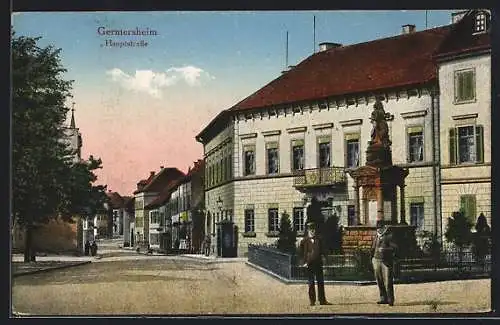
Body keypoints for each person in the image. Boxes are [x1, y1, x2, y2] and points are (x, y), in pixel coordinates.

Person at [299, 221, 332, 306]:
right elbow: (301, 253)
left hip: (318, 264)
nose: (312, 231)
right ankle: (312, 301)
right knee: (311, 283)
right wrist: (304, 263)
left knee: (320, 282)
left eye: (313, 229)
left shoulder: (319, 239)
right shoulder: (304, 241)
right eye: (310, 230)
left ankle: (322, 300)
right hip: (309, 265)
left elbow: (323, 250)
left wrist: (326, 258)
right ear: (307, 230)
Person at [370, 220, 398, 306]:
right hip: (376, 259)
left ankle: (390, 299)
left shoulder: (389, 236)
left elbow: (395, 248)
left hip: (386, 261)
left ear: (384, 228)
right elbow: (373, 248)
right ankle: (383, 298)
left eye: (380, 228)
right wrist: (372, 258)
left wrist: (385, 250)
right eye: (377, 228)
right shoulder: (376, 236)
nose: (379, 230)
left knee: (388, 281)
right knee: (379, 280)